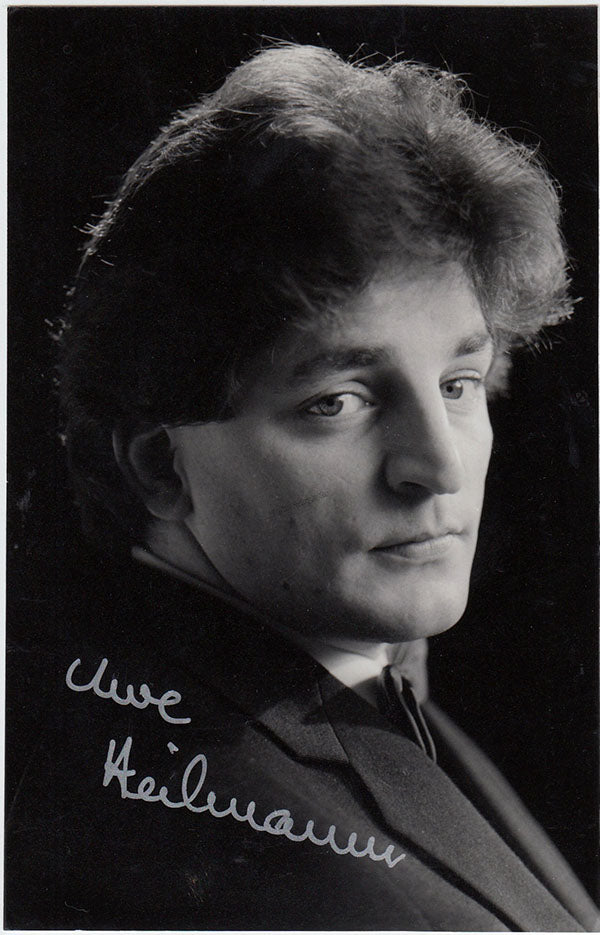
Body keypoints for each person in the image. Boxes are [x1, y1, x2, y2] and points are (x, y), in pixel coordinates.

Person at [5, 43, 598, 930]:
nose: (438, 465)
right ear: (162, 466)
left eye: (458, 383)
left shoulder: (351, 670)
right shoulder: (191, 848)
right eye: (337, 401)